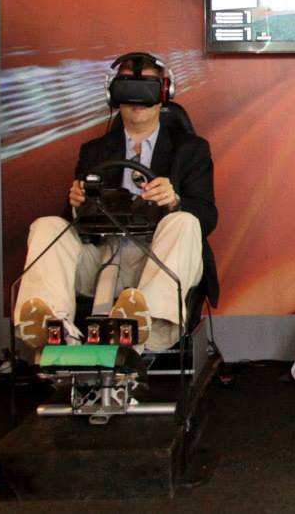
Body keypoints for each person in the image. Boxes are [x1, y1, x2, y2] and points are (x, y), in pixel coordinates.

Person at [14, 52, 217, 351]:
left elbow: (208, 218)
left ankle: (144, 326)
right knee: (46, 225)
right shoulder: (94, 151)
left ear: (164, 93)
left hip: (158, 259)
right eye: (127, 86)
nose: (136, 97)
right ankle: (54, 328)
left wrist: (175, 200)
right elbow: (72, 227)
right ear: (113, 93)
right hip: (100, 258)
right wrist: (76, 204)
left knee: (185, 221)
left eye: (146, 87)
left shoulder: (190, 150)